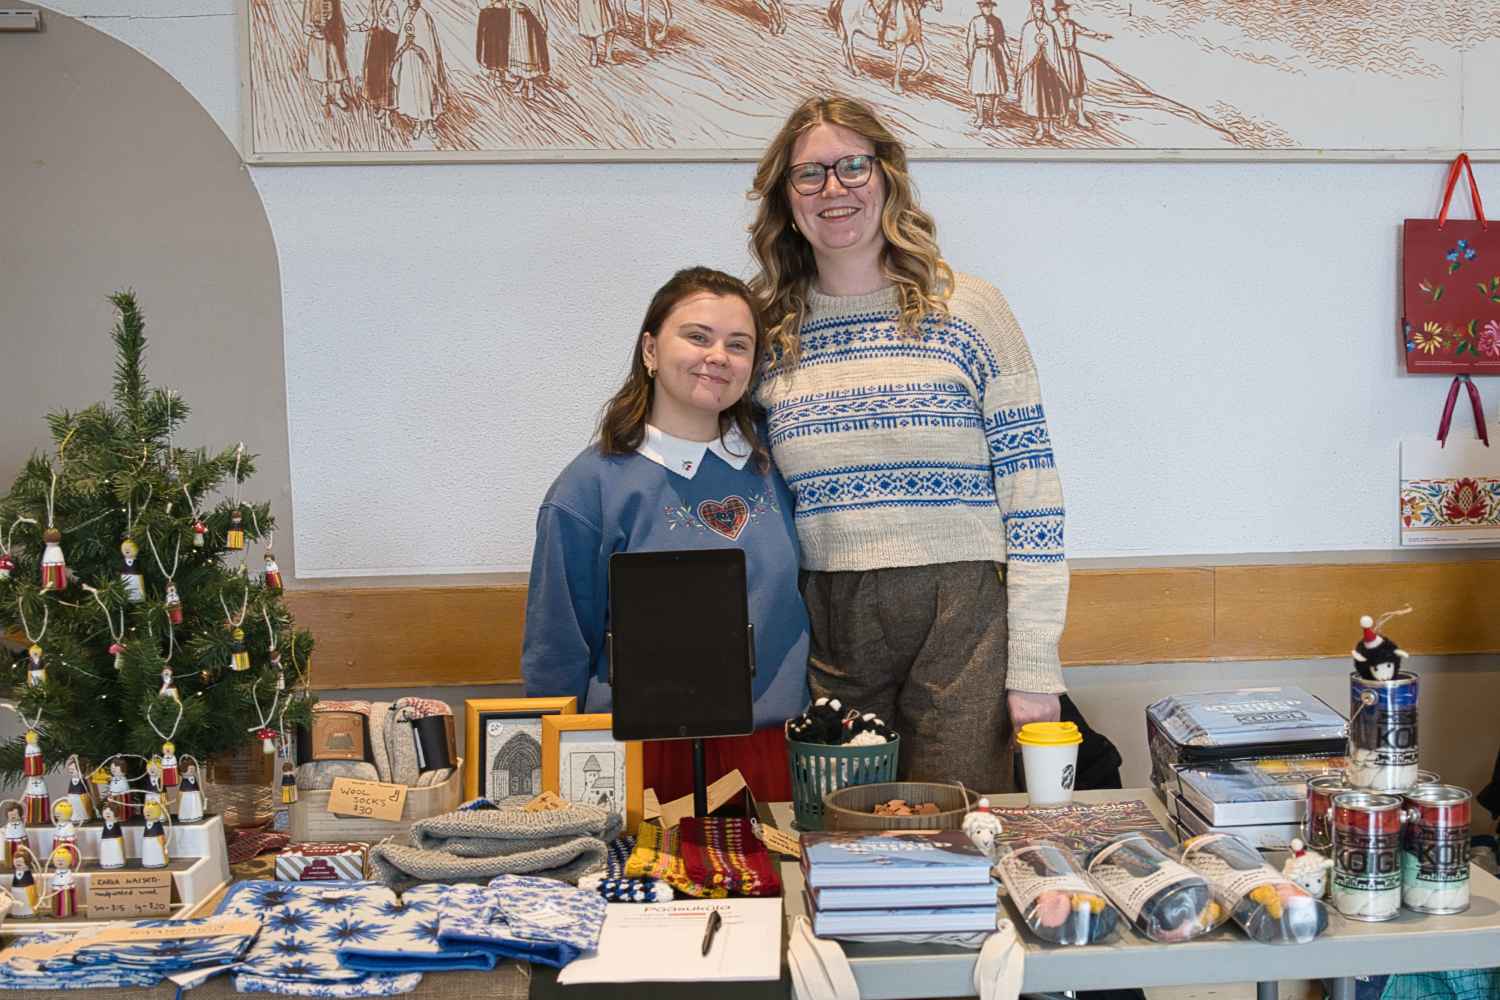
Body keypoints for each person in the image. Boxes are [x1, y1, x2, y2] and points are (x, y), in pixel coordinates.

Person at [747, 95, 1068, 793]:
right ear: (786, 199)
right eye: (809, 174)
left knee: (957, 823)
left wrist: (1035, 666)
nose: (833, 188)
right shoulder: (764, 328)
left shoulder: (971, 309)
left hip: (964, 613)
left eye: (853, 166)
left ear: (887, 176)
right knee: (840, 827)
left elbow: (1033, 494)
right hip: (827, 613)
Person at [521, 267, 810, 805]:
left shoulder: (780, 467)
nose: (717, 356)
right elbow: (556, 645)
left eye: (738, 345)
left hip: (767, 751)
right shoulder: (589, 487)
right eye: (698, 336)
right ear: (650, 350)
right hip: (637, 757)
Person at [1052, 0, 1110, 128]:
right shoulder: (1052, 26)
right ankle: (1065, 116)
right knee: (1063, 87)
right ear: (1058, 12)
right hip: (1060, 58)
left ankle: (1080, 117)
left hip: (1073, 58)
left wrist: (1098, 35)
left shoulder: (1071, 24)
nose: (1067, 13)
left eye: (1066, 10)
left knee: (1077, 87)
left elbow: (1083, 31)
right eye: (1064, 11)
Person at [1016, 0, 1067, 140]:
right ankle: (1039, 128)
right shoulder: (1028, 27)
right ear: (1032, 11)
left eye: (1041, 10)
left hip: (1049, 67)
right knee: (1037, 98)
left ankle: (1051, 128)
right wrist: (1036, 44)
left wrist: (1045, 43)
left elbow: (1054, 48)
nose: (1039, 12)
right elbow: (1025, 47)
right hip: (1034, 68)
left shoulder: (1049, 28)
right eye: (1036, 10)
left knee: (1051, 98)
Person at [964, 0, 1010, 128]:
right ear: (980, 7)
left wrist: (1009, 57)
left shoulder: (997, 21)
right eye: (985, 6)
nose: (988, 8)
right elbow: (970, 41)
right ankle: (980, 117)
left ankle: (994, 116)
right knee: (979, 88)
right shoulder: (975, 21)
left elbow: (1002, 41)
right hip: (980, 55)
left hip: (995, 56)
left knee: (996, 89)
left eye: (990, 6)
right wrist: (969, 57)